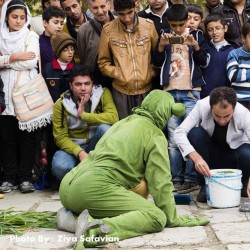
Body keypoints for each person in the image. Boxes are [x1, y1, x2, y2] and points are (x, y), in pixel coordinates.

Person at [56, 90, 209, 249]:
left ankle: (70, 219)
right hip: (92, 190)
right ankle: (94, 232)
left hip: (68, 185)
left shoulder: (123, 122)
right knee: (156, 216)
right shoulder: (154, 134)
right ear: (166, 112)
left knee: (121, 205)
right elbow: (160, 183)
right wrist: (172, 218)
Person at [153, 4, 207, 194]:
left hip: (191, 92)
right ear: (169, 22)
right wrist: (161, 46)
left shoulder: (197, 35)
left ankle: (191, 178)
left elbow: (204, 62)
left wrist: (195, 46)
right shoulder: (164, 35)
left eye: (181, 25)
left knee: (191, 135)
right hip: (170, 92)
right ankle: (176, 178)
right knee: (173, 139)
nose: (177, 29)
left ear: (187, 21)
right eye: (174, 25)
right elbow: (156, 63)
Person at [0, 0, 47, 193]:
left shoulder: (31, 36)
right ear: (6, 17)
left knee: (27, 139)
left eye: (22, 17)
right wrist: (14, 57)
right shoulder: (0, 36)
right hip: (4, 95)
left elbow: (30, 62)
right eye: (14, 17)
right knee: (6, 138)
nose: (18, 21)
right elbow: (21, 59)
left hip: (26, 94)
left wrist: (5, 60)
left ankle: (26, 177)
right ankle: (9, 178)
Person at [174, 87, 250, 202]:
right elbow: (180, 132)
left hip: (235, 157)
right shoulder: (202, 105)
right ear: (211, 107)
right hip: (209, 158)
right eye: (217, 115)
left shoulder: (243, 113)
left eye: (227, 116)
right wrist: (196, 158)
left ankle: (244, 183)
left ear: (233, 109)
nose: (222, 121)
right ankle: (205, 186)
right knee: (195, 133)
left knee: (247, 153)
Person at [52, 64, 118, 181]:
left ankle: (93, 176)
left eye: (87, 84)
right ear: (71, 86)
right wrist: (79, 152)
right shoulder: (60, 105)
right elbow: (60, 138)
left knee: (105, 129)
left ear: (92, 84)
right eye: (78, 84)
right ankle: (85, 178)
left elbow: (113, 118)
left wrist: (84, 115)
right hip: (73, 150)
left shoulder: (103, 94)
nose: (83, 88)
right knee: (60, 167)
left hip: (96, 147)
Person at [98, 0, 158, 119]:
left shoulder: (149, 26)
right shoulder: (108, 30)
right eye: (121, 14)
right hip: (121, 92)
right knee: (124, 130)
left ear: (136, 6)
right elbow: (102, 62)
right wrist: (119, 73)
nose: (126, 18)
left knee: (146, 128)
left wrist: (151, 72)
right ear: (116, 12)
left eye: (129, 12)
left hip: (147, 89)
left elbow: (157, 56)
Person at [77, 0, 114, 88]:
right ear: (89, 8)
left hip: (120, 79)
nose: (100, 11)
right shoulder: (84, 30)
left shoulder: (120, 23)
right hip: (96, 82)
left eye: (102, 6)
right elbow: (83, 58)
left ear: (108, 5)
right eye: (95, 8)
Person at [201, 13, 233, 98]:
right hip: (205, 94)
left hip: (225, 96)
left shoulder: (232, 51)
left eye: (218, 28)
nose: (214, 32)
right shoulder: (203, 48)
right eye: (210, 30)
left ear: (225, 28)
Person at [43, 32, 76, 102]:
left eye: (72, 49)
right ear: (57, 52)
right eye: (65, 50)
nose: (70, 52)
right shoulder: (47, 69)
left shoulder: (77, 69)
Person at [227, 19, 250, 110]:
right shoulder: (235, 54)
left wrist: (243, 73)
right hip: (240, 102)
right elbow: (233, 75)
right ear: (243, 38)